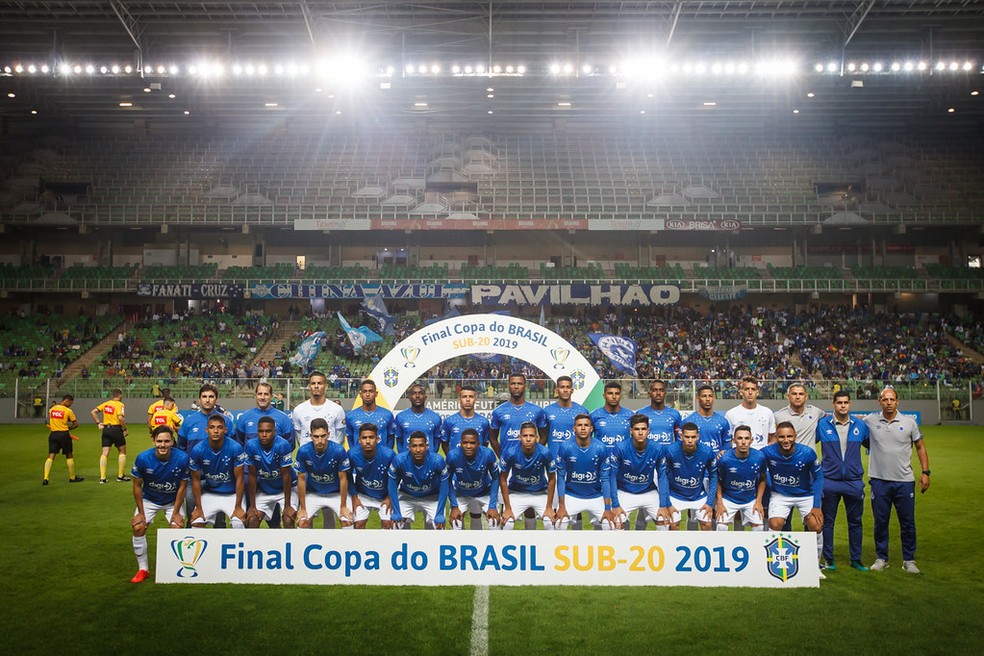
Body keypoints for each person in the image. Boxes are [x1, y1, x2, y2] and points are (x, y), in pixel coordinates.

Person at [864, 387, 931, 574]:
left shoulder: (909, 423)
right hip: (879, 481)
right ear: (879, 401)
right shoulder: (870, 421)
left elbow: (920, 447)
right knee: (880, 522)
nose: (888, 402)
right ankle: (881, 558)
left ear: (897, 401)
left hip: (904, 481)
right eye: (885, 399)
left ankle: (909, 560)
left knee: (908, 522)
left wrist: (926, 472)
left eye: (892, 399)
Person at [762, 422, 824, 577]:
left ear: (795, 437)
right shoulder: (767, 452)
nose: (786, 440)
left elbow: (819, 478)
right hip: (780, 495)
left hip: (804, 495)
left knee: (816, 526)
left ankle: (815, 567)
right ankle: (770, 564)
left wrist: (816, 505)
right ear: (776, 437)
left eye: (789, 436)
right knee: (775, 524)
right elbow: (752, 460)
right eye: (781, 437)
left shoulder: (808, 453)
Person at [817, 391, 870, 571]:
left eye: (846, 402)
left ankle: (856, 559)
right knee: (828, 522)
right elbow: (808, 443)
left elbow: (872, 446)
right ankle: (829, 559)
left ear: (850, 404)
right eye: (839, 402)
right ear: (833, 404)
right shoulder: (823, 425)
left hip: (853, 482)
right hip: (830, 481)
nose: (842, 406)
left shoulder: (860, 425)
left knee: (855, 522)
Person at [129, 425, 189, 583]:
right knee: (138, 527)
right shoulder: (143, 458)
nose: (163, 445)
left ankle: (174, 568)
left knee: (176, 528)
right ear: (153, 441)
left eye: (167, 441)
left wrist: (176, 512)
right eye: (159, 441)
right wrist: (141, 513)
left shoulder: (182, 458)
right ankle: (143, 569)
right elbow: (136, 486)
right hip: (149, 499)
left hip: (172, 500)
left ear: (172, 442)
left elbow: (182, 487)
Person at [555, 414, 616, 530]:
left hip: (595, 496)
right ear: (574, 429)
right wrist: (561, 506)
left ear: (591, 429)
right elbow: (561, 477)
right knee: (559, 523)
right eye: (579, 425)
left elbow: (605, 479)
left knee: (610, 524)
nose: (583, 428)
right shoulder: (565, 447)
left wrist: (608, 508)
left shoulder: (601, 447)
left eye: (586, 425)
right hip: (572, 495)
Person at [189, 414, 247, 529]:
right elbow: (195, 480)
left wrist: (238, 506)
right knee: (196, 522)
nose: (215, 431)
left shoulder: (235, 448)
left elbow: (240, 478)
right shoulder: (197, 450)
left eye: (219, 427)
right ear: (206, 430)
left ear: (225, 430)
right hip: (210, 493)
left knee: (238, 522)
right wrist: (199, 508)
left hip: (232, 494)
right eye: (212, 427)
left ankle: (239, 546)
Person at [656, 422, 717, 531]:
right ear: (681, 436)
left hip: (698, 495)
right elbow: (663, 476)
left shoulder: (707, 451)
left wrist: (709, 502)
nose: (690, 440)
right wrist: (668, 503)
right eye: (687, 437)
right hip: (675, 495)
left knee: (707, 524)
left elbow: (714, 476)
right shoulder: (670, 450)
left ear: (698, 437)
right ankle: (673, 547)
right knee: (673, 525)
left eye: (693, 437)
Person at [295, 418, 353, 529]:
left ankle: (347, 546)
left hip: (336, 494)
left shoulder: (338, 451)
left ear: (328, 435)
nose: (320, 440)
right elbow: (301, 480)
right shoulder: (303, 451)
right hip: (313, 493)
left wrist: (343, 505)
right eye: (316, 437)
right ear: (311, 436)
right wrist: (302, 508)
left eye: (323, 436)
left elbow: (343, 479)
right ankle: (306, 545)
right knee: (302, 522)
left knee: (348, 521)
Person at [499, 422, 557, 530]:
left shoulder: (545, 453)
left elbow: (552, 479)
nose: (528, 439)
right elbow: (502, 479)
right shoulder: (510, 453)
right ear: (519, 437)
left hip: (539, 493)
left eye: (531, 436)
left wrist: (549, 507)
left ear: (536, 437)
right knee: (508, 522)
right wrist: (507, 508)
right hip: (517, 493)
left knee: (550, 522)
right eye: (525, 436)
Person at [609, 414, 664, 530]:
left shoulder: (657, 448)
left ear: (648, 431)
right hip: (625, 491)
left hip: (648, 491)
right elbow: (612, 476)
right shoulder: (620, 448)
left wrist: (664, 504)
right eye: (637, 429)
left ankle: (659, 547)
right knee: (616, 523)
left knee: (665, 521)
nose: (640, 432)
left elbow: (663, 477)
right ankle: (622, 548)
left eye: (643, 429)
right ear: (631, 431)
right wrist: (615, 504)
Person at [387, 431, 450, 529]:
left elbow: (444, 486)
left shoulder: (437, 461)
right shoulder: (399, 460)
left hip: (432, 497)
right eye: (414, 446)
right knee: (395, 525)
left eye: (421, 446)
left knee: (440, 526)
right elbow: (392, 485)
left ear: (427, 446)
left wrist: (440, 513)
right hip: (407, 496)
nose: (418, 449)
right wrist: (396, 511)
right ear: (409, 447)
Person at [245, 416, 297, 529]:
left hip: (286, 489)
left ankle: (291, 545)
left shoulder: (282, 445)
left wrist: (287, 506)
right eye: (261, 431)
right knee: (253, 519)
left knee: (288, 519)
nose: (264, 434)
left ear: (274, 431)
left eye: (268, 431)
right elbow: (252, 476)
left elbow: (286, 476)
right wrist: (252, 506)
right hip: (266, 489)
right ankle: (253, 546)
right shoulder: (251, 445)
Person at [446, 428, 501, 530]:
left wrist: (492, 506)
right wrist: (454, 506)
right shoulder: (452, 456)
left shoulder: (488, 454)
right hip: (461, 493)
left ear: (478, 444)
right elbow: (447, 480)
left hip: (484, 492)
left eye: (472, 443)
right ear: (460, 443)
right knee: (455, 523)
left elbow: (496, 478)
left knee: (494, 522)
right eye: (465, 443)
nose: (468, 446)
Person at [714, 425, 766, 531]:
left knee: (759, 527)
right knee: (721, 526)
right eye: (740, 438)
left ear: (751, 440)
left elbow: (763, 479)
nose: (743, 442)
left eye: (746, 438)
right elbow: (718, 481)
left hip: (750, 499)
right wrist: (719, 503)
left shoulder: (759, 457)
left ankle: (754, 548)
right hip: (729, 499)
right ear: (734, 440)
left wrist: (758, 501)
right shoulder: (724, 459)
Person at [348, 423, 396, 529]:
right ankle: (359, 546)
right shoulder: (352, 454)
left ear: (377, 439)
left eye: (371, 437)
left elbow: (396, 478)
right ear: (359, 440)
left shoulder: (389, 455)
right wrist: (354, 497)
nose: (368, 441)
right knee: (358, 525)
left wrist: (389, 497)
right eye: (364, 438)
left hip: (384, 496)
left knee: (388, 524)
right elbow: (348, 477)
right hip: (362, 495)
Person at [489, 372, 547, 456]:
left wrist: (536, 455)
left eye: (519, 384)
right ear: (508, 386)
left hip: (530, 462)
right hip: (508, 463)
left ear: (525, 386)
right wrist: (501, 456)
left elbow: (544, 435)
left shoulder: (537, 410)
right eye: (513, 384)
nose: (516, 387)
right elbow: (492, 437)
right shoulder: (499, 411)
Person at [292, 371, 346, 449]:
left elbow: (340, 437)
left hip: (330, 455)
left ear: (326, 386)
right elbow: (299, 437)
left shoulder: (337, 409)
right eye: (313, 383)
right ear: (309, 386)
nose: (316, 386)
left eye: (319, 383)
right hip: (308, 457)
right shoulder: (298, 410)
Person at [177, 383, 235, 453]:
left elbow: (233, 447)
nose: (207, 400)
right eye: (204, 397)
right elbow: (181, 448)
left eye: (211, 397)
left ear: (216, 399)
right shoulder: (188, 422)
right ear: (199, 399)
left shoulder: (226, 421)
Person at [543, 375, 589, 458]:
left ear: (572, 390)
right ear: (556, 390)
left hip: (576, 458)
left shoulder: (582, 411)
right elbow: (544, 435)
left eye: (568, 387)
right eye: (562, 387)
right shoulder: (547, 411)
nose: (565, 390)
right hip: (554, 459)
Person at [236, 382, 294, 448]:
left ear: (271, 396)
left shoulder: (284, 418)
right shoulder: (244, 418)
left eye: (266, 394)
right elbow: (239, 444)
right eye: (260, 394)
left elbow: (290, 445)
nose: (262, 397)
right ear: (255, 396)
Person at [90, 387, 130, 484]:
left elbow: (93, 412)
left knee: (104, 453)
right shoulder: (120, 405)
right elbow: (120, 418)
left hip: (106, 429)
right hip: (116, 429)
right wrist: (125, 429)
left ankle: (102, 478)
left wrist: (98, 423)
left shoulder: (106, 404)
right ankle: (120, 476)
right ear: (120, 395)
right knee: (122, 451)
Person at [725, 376, 776, 450]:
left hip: (761, 458)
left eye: (753, 389)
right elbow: (728, 440)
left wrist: (766, 452)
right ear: (741, 392)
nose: (750, 392)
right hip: (739, 458)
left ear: (757, 392)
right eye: (746, 389)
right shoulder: (731, 414)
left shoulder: (767, 412)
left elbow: (773, 438)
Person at [42, 394, 83, 484]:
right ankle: (72, 478)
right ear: (66, 401)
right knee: (69, 455)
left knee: (51, 456)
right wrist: (69, 428)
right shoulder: (68, 411)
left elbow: (52, 420)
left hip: (53, 434)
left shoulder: (52, 409)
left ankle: (46, 478)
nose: (70, 405)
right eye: (70, 403)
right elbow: (76, 424)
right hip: (64, 435)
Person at [346, 379, 397, 451]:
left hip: (381, 458)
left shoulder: (387, 414)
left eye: (371, 391)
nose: (367, 394)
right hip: (359, 459)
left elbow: (391, 438)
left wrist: (386, 455)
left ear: (376, 394)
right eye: (364, 391)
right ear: (360, 394)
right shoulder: (351, 415)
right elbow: (350, 438)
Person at [682, 384, 732, 457]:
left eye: (710, 396)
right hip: (696, 463)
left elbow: (727, 443)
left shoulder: (723, 421)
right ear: (698, 399)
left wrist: (723, 453)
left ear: (714, 398)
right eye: (704, 396)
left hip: (717, 463)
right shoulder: (688, 421)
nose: (708, 399)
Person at [393, 383, 443, 453]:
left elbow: (437, 441)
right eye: (414, 393)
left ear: (425, 397)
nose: (417, 396)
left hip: (428, 461)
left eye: (420, 393)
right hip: (407, 461)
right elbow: (399, 441)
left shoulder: (435, 417)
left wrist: (431, 456)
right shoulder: (400, 417)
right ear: (409, 397)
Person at [441, 384, 492, 453]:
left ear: (475, 399)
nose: (468, 399)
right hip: (456, 463)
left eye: (471, 397)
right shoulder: (449, 421)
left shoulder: (484, 422)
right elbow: (444, 444)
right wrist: (452, 458)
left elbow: (485, 444)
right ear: (459, 399)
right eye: (464, 397)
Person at [774, 382, 826, 446]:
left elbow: (830, 418)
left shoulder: (814, 411)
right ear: (788, 396)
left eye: (801, 394)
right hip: (790, 455)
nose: (798, 397)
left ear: (806, 397)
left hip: (810, 455)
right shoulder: (778, 416)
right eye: (794, 394)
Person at [590, 381, 634, 453]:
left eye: (617, 393)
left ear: (620, 396)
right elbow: (587, 441)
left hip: (623, 460)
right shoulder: (594, 415)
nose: (614, 397)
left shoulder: (630, 415)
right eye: (610, 393)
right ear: (604, 396)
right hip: (601, 460)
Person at [636, 379, 682, 446]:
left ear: (665, 393)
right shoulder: (641, 413)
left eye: (661, 390)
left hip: (668, 455)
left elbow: (679, 440)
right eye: (655, 390)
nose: (658, 393)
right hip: (649, 455)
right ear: (649, 394)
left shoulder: (675, 414)